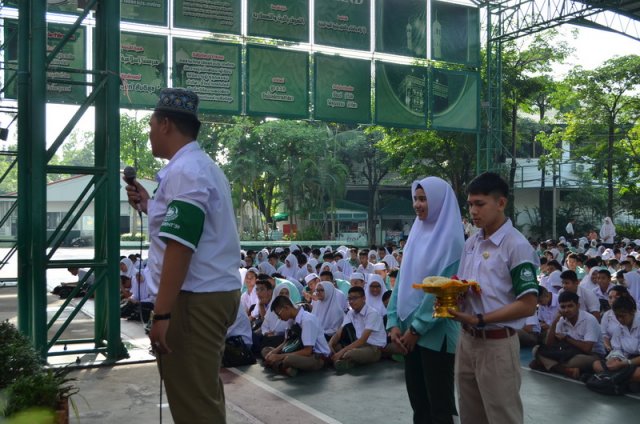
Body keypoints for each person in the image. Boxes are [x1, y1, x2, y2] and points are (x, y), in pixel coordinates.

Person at [124, 88, 241, 424]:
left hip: (193, 302)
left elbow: (181, 245)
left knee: (194, 406)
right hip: (207, 296)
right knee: (201, 392)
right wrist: (150, 205)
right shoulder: (199, 167)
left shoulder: (186, 171)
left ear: (165, 125)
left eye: (150, 126)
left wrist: (161, 316)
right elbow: (186, 229)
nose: (148, 134)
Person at [449, 172, 539, 424]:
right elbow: (467, 286)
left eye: (480, 204)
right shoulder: (473, 242)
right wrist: (451, 294)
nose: (473, 211)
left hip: (497, 344)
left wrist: (479, 318)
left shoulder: (516, 245)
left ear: (501, 203)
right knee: (470, 415)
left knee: (502, 417)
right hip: (467, 340)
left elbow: (528, 304)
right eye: (470, 204)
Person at [387, 176, 465, 424]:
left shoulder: (453, 242)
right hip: (407, 334)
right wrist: (393, 323)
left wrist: (416, 329)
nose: (418, 205)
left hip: (435, 335)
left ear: (440, 202)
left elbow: (444, 290)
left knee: (439, 407)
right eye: (416, 199)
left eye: (424, 199)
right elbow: (401, 281)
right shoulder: (416, 235)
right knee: (419, 404)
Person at [531, 291, 605, 379]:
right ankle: (566, 370)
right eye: (563, 307)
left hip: (592, 354)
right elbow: (549, 345)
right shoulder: (562, 320)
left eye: (570, 306)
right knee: (536, 350)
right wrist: (555, 322)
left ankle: (549, 365)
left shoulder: (589, 320)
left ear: (578, 306)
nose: (566, 310)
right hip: (569, 351)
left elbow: (587, 349)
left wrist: (567, 338)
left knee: (572, 361)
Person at [262, 295, 331, 377]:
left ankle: (282, 366)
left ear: (286, 308)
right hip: (296, 350)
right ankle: (285, 367)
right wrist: (273, 352)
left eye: (279, 314)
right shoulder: (290, 319)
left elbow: (307, 351)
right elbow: (286, 341)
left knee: (289, 359)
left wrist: (279, 356)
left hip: (315, 357)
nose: (279, 318)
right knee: (266, 350)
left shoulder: (307, 320)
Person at [330, 286, 387, 372]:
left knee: (350, 353)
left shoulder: (372, 313)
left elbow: (362, 340)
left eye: (355, 298)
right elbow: (339, 333)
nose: (351, 301)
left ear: (364, 298)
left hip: (373, 348)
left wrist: (341, 352)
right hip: (358, 345)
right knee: (334, 347)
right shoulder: (351, 313)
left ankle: (345, 359)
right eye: (349, 299)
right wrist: (330, 345)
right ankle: (346, 361)